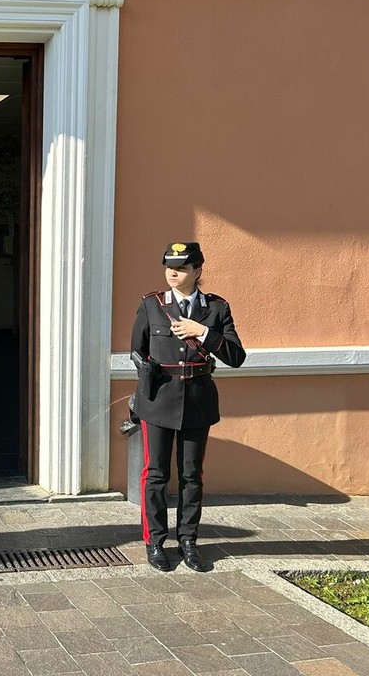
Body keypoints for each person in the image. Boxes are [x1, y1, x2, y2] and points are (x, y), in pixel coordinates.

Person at [130, 242, 246, 572]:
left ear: (197, 271)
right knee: (156, 474)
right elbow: (137, 351)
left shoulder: (217, 309)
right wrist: (143, 391)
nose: (173, 273)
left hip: (197, 401)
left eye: (181, 268)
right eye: (169, 267)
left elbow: (236, 357)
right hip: (158, 401)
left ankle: (188, 540)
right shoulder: (151, 304)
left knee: (191, 476)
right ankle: (155, 541)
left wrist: (203, 332)